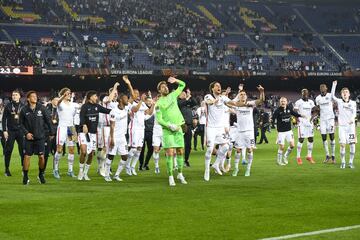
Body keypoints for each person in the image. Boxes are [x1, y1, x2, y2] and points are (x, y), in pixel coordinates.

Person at [155, 76, 188, 186]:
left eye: (166, 86)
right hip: (168, 131)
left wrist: (176, 80)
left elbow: (183, 85)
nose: (166, 88)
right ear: (159, 91)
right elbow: (159, 119)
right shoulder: (158, 103)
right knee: (169, 153)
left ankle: (180, 173)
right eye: (163, 87)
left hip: (178, 128)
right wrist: (170, 126)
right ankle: (170, 177)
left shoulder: (173, 95)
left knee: (180, 152)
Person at [229, 85, 265, 177]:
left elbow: (261, 100)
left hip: (249, 131)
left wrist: (261, 92)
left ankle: (248, 169)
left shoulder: (251, 103)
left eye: (244, 94)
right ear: (239, 96)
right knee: (238, 150)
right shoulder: (236, 105)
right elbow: (228, 103)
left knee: (249, 149)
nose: (243, 95)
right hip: (240, 131)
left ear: (246, 96)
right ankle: (236, 169)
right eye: (241, 94)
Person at [19, 91, 54, 185]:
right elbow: (20, 124)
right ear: (28, 99)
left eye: (35, 96)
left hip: (40, 137)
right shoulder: (24, 110)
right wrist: (26, 133)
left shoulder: (42, 108)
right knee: (27, 157)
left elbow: (48, 121)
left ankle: (41, 174)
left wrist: (52, 133)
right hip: (29, 138)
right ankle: (25, 176)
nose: (35, 97)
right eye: (33, 96)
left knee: (42, 157)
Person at [104, 80, 135, 182]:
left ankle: (116, 175)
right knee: (111, 156)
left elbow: (133, 97)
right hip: (114, 136)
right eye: (126, 98)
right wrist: (112, 139)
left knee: (125, 157)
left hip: (122, 137)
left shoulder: (126, 108)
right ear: (121, 99)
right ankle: (107, 174)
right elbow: (112, 126)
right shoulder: (114, 111)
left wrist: (129, 83)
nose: (128, 100)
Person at [77, 91, 112, 181]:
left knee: (91, 154)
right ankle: (80, 171)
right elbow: (81, 117)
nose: (96, 97)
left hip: (93, 134)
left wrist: (120, 110)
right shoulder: (85, 106)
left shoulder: (97, 106)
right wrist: (84, 125)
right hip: (83, 133)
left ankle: (85, 173)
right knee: (84, 152)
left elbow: (108, 111)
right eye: (95, 96)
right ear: (90, 97)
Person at [203, 82, 231, 181]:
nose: (219, 87)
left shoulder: (223, 98)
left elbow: (233, 103)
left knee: (226, 146)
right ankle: (206, 171)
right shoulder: (208, 96)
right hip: (210, 127)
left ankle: (215, 164)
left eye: (220, 86)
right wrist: (216, 100)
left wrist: (242, 102)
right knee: (210, 149)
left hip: (220, 128)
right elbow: (209, 102)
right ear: (212, 88)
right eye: (217, 86)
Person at [127, 83, 154, 176]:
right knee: (133, 149)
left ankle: (133, 167)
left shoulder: (142, 103)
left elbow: (149, 113)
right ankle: (127, 166)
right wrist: (142, 101)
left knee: (139, 149)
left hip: (141, 128)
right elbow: (135, 110)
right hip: (134, 128)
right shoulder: (130, 103)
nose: (137, 94)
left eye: (138, 93)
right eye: (135, 93)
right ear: (132, 94)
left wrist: (153, 105)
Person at [53, 88, 78, 179]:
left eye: (69, 93)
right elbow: (56, 103)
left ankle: (70, 170)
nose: (69, 94)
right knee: (59, 149)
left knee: (71, 150)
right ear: (63, 94)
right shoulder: (60, 103)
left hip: (71, 128)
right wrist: (62, 96)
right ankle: (55, 169)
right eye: (67, 93)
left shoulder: (73, 104)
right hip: (62, 128)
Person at [97, 82, 121, 176]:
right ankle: (101, 167)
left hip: (115, 128)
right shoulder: (106, 98)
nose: (115, 94)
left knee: (111, 148)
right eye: (114, 92)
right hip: (106, 126)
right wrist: (114, 87)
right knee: (104, 148)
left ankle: (107, 167)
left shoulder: (118, 103)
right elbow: (109, 100)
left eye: (116, 92)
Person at [331, 81, 357, 168]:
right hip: (342, 127)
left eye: (346, 92)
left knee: (352, 145)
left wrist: (352, 119)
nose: (345, 93)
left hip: (351, 127)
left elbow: (354, 113)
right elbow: (332, 96)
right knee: (342, 145)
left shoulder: (353, 103)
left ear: (349, 94)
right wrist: (334, 85)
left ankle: (350, 162)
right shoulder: (339, 101)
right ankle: (343, 162)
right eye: (343, 92)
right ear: (341, 94)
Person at [272, 97, 302, 165]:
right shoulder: (277, 110)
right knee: (282, 147)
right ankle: (279, 161)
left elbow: (295, 114)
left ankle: (285, 156)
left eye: (284, 101)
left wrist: (301, 115)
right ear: (280, 102)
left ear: (286, 102)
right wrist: (271, 121)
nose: (283, 102)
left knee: (292, 145)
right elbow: (273, 118)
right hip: (281, 132)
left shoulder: (289, 108)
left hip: (289, 131)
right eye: (281, 101)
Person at [2, 89, 25, 176]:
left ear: (19, 96)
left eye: (16, 95)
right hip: (11, 131)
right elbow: (4, 119)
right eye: (13, 95)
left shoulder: (23, 106)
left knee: (22, 150)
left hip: (20, 131)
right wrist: (4, 130)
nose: (14, 96)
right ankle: (7, 169)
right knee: (8, 150)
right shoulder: (8, 106)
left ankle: (24, 168)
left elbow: (26, 120)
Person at [294, 89, 316, 165]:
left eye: (306, 93)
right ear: (301, 94)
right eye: (303, 93)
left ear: (308, 94)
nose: (305, 94)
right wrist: (297, 119)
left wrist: (312, 118)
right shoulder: (298, 102)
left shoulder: (311, 102)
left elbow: (314, 110)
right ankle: (298, 157)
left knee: (311, 139)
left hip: (309, 123)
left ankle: (309, 156)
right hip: (302, 123)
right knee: (301, 139)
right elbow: (295, 112)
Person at [315, 84, 336, 163]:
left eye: (324, 87)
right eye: (321, 87)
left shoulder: (330, 95)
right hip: (322, 120)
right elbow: (317, 109)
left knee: (332, 137)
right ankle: (327, 155)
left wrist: (334, 85)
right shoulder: (317, 98)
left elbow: (335, 100)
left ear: (326, 88)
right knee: (323, 138)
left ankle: (333, 156)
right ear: (320, 89)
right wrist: (315, 119)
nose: (322, 88)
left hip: (330, 119)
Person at [178, 88, 197, 167]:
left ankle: (186, 160)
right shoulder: (178, 102)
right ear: (179, 95)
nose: (184, 95)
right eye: (183, 94)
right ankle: (177, 161)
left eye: (185, 94)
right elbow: (181, 104)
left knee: (188, 145)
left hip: (188, 126)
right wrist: (187, 98)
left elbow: (195, 103)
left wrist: (190, 96)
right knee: (179, 145)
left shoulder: (188, 102)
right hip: (180, 126)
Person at [139, 96, 155, 171]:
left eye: (150, 101)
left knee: (151, 149)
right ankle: (140, 164)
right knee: (141, 149)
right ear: (145, 101)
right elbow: (148, 113)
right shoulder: (143, 108)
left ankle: (146, 164)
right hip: (143, 131)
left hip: (151, 131)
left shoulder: (154, 109)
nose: (149, 102)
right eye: (148, 101)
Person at [44, 96, 59, 171]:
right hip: (48, 134)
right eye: (56, 100)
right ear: (52, 101)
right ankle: (43, 170)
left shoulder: (60, 109)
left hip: (57, 134)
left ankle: (55, 169)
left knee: (57, 153)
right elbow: (45, 122)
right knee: (46, 153)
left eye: (58, 100)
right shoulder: (47, 109)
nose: (57, 101)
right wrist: (49, 132)